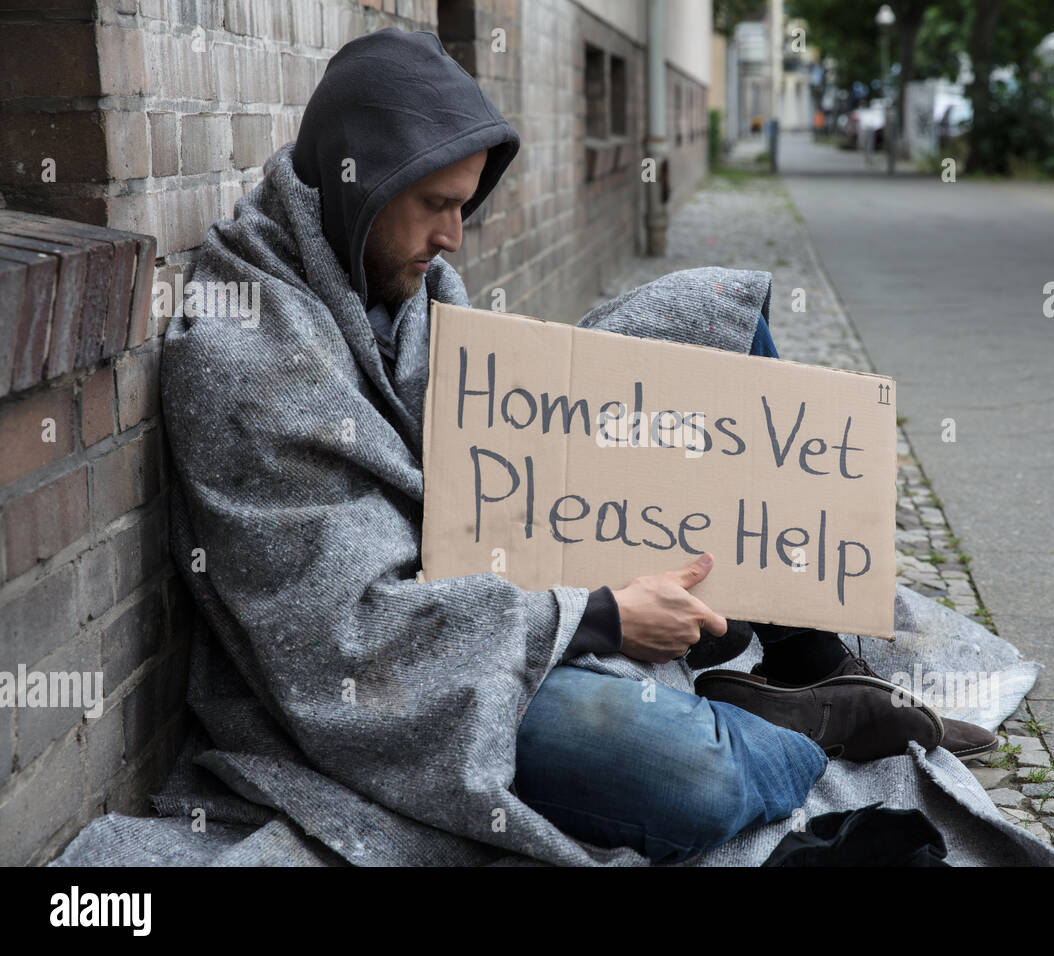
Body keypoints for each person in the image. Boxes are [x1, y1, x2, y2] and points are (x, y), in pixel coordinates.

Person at [159, 27, 994, 867]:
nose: (454, 237)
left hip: (499, 584)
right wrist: (601, 615)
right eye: (435, 206)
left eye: (464, 205)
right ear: (363, 188)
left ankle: (802, 664)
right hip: (415, 681)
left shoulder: (395, 274)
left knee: (710, 311)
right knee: (691, 775)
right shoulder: (245, 360)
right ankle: (796, 730)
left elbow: (489, 452)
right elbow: (343, 637)